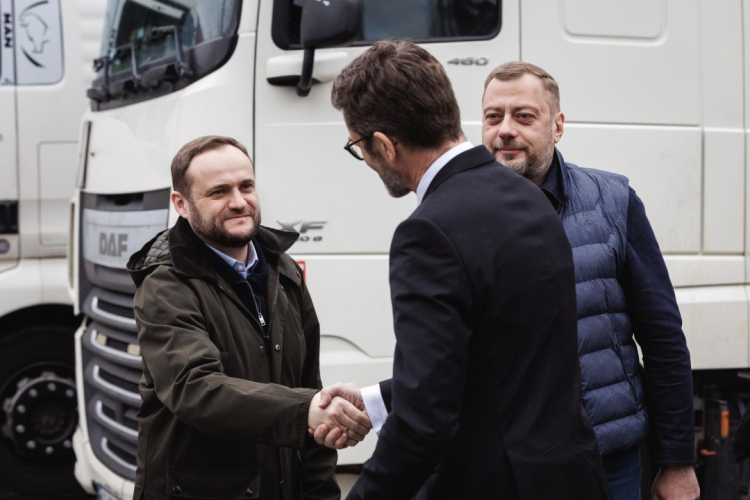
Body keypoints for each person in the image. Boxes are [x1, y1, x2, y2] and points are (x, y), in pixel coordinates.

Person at [321, 39, 610, 499]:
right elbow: (502, 359)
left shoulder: (428, 232)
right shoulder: (529, 195)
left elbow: (425, 421)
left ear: (385, 146)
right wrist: (376, 401)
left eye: (359, 146)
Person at [479, 62, 699, 500]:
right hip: (500, 465)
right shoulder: (459, 214)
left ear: (557, 127)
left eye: (524, 116)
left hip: (605, 460)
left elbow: (662, 338)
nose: (505, 130)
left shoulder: (613, 203)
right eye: (492, 117)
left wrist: (677, 462)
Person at [126, 136, 370, 500]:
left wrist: (321, 492)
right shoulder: (165, 285)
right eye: (219, 192)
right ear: (181, 204)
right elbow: (195, 388)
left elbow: (309, 387)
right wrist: (304, 411)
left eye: (246, 186)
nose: (239, 202)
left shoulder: (283, 271)